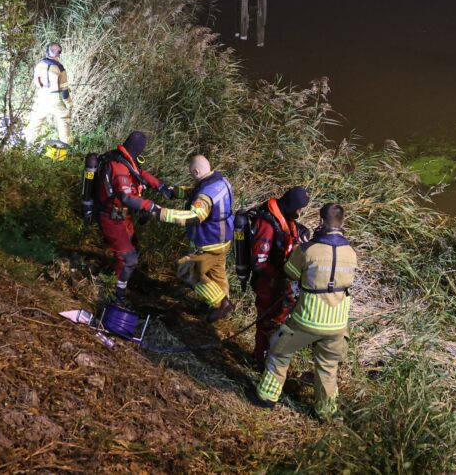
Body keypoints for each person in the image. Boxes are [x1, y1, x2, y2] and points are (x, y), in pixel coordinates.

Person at [252, 203, 357, 420]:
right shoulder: (351, 253)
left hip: (307, 319)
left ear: (320, 222)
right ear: (343, 223)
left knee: (279, 350)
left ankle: (266, 397)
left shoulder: (308, 249)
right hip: (337, 324)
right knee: (328, 367)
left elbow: (289, 272)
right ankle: (325, 412)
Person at [94, 131, 174, 307]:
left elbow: (141, 174)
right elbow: (125, 197)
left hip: (122, 217)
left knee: (131, 248)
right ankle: (116, 295)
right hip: (112, 218)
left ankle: (111, 279)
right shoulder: (119, 166)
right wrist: (150, 206)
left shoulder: (126, 160)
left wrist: (162, 187)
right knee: (129, 259)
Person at [153, 155, 236, 322]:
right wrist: (175, 192)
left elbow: (194, 216)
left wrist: (160, 212)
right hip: (224, 240)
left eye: (192, 174)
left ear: (196, 171)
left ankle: (221, 304)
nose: (191, 177)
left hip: (209, 243)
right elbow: (195, 192)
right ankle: (219, 307)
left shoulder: (205, 195)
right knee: (216, 274)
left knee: (187, 270)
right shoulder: (221, 181)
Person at [249, 186, 309, 369]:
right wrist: (283, 274)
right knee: (267, 323)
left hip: (280, 281)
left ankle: (266, 358)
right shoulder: (267, 224)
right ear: (292, 205)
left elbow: (287, 232)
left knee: (278, 321)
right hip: (269, 283)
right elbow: (259, 262)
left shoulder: (283, 216)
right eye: (299, 208)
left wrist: (302, 232)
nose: (300, 212)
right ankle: (260, 360)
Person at [24, 42, 73, 146]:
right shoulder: (60, 69)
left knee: (35, 124)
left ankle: (27, 147)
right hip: (56, 100)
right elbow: (65, 91)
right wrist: (69, 103)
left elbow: (37, 84)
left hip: (42, 98)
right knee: (64, 121)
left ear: (47, 51)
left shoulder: (39, 65)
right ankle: (66, 149)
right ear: (59, 53)